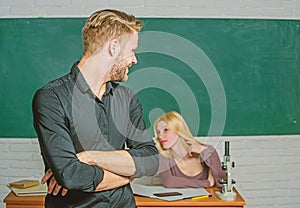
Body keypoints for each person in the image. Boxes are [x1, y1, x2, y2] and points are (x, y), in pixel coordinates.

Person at [32, 9, 159, 208]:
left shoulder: (127, 98)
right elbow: (71, 175)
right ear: (114, 47)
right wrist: (129, 172)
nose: (134, 60)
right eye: (132, 50)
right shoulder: (51, 97)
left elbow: (151, 160)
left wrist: (91, 157)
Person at [153, 111, 225, 188]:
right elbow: (169, 182)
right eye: (158, 132)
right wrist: (206, 183)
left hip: (207, 200)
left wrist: (202, 150)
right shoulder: (164, 156)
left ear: (179, 129)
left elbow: (222, 183)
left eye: (166, 130)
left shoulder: (207, 151)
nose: (160, 136)